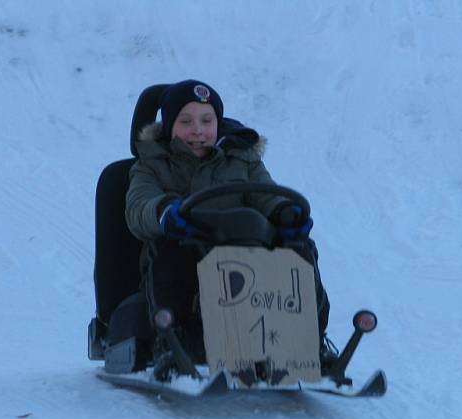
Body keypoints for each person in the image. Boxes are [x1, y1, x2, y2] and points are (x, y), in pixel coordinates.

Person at [124, 79, 331, 364]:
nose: (197, 130)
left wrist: (285, 212)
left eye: (206, 120)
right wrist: (164, 213)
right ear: (170, 125)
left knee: (298, 247)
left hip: (246, 252)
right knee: (170, 251)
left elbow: (264, 192)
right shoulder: (152, 164)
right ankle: (174, 343)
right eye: (185, 121)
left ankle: (308, 341)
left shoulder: (242, 158)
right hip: (189, 251)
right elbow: (139, 206)